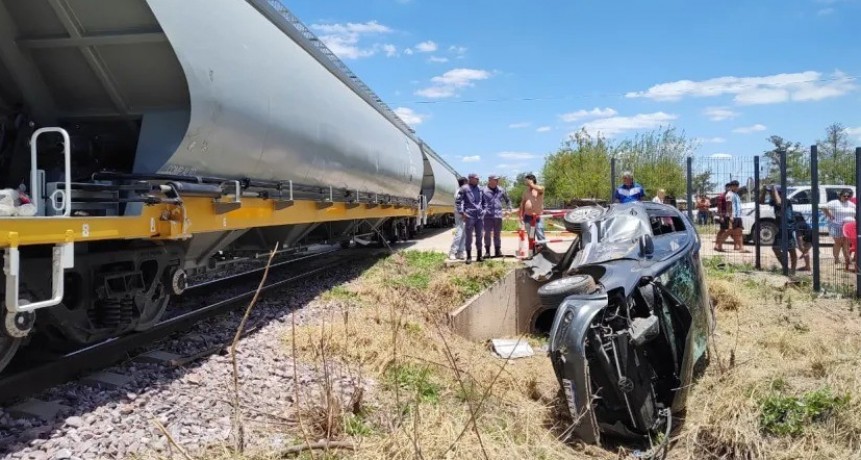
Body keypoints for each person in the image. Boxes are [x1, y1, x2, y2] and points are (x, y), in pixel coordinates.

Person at [761, 185, 796, 273]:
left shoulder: (785, 200)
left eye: (771, 192)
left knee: (791, 249)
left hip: (788, 227)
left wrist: (774, 189)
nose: (770, 194)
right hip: (780, 228)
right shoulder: (774, 201)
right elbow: (761, 202)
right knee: (776, 248)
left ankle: (793, 269)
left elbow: (779, 203)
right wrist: (764, 191)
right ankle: (786, 268)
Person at [820, 188, 855, 272]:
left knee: (846, 243)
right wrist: (829, 215)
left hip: (848, 226)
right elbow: (823, 207)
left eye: (848, 196)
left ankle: (847, 260)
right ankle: (836, 259)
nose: (846, 197)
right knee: (839, 242)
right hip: (836, 225)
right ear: (840, 195)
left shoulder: (851, 204)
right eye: (845, 196)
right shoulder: (834, 202)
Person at [455, 173, 487, 263]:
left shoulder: (480, 189)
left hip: (479, 216)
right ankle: (469, 257)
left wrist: (484, 211)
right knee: (469, 237)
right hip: (469, 216)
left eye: (478, 179)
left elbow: (484, 202)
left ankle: (479, 256)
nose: (478, 180)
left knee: (479, 236)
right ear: (471, 179)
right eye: (476, 179)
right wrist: (462, 212)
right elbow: (458, 201)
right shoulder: (464, 188)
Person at [482, 175, 513, 258]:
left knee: (497, 234)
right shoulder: (483, 190)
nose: (497, 181)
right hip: (487, 216)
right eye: (495, 180)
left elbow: (508, 200)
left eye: (497, 180)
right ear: (490, 180)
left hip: (498, 215)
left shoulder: (501, 189)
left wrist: (509, 210)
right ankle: (487, 252)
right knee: (487, 234)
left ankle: (497, 251)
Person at [519, 173, 546, 255]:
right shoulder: (526, 191)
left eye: (526, 180)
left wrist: (531, 184)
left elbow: (541, 189)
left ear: (531, 180)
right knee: (531, 236)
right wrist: (521, 215)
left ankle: (544, 253)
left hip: (537, 217)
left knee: (540, 234)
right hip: (527, 217)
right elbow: (522, 203)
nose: (525, 182)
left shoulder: (539, 189)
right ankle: (532, 253)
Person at [448, 177, 468, 260]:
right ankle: (452, 252)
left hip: (465, 215)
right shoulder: (459, 192)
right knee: (459, 234)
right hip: (460, 215)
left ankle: (460, 252)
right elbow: (458, 204)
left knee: (464, 234)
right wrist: (463, 213)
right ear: (464, 183)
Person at [727, 180, 748, 253]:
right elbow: (729, 206)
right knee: (738, 232)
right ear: (731, 186)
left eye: (737, 186)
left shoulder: (736, 194)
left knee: (736, 232)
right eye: (735, 186)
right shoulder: (730, 194)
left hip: (738, 216)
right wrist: (730, 216)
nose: (736, 187)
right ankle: (742, 248)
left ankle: (736, 246)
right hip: (734, 216)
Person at [714, 183, 731, 252]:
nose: (729, 189)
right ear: (725, 188)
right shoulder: (722, 196)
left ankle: (717, 245)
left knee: (722, 230)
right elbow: (719, 207)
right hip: (723, 216)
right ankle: (719, 246)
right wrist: (721, 216)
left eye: (730, 187)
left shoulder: (730, 196)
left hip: (727, 215)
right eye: (728, 187)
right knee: (724, 231)